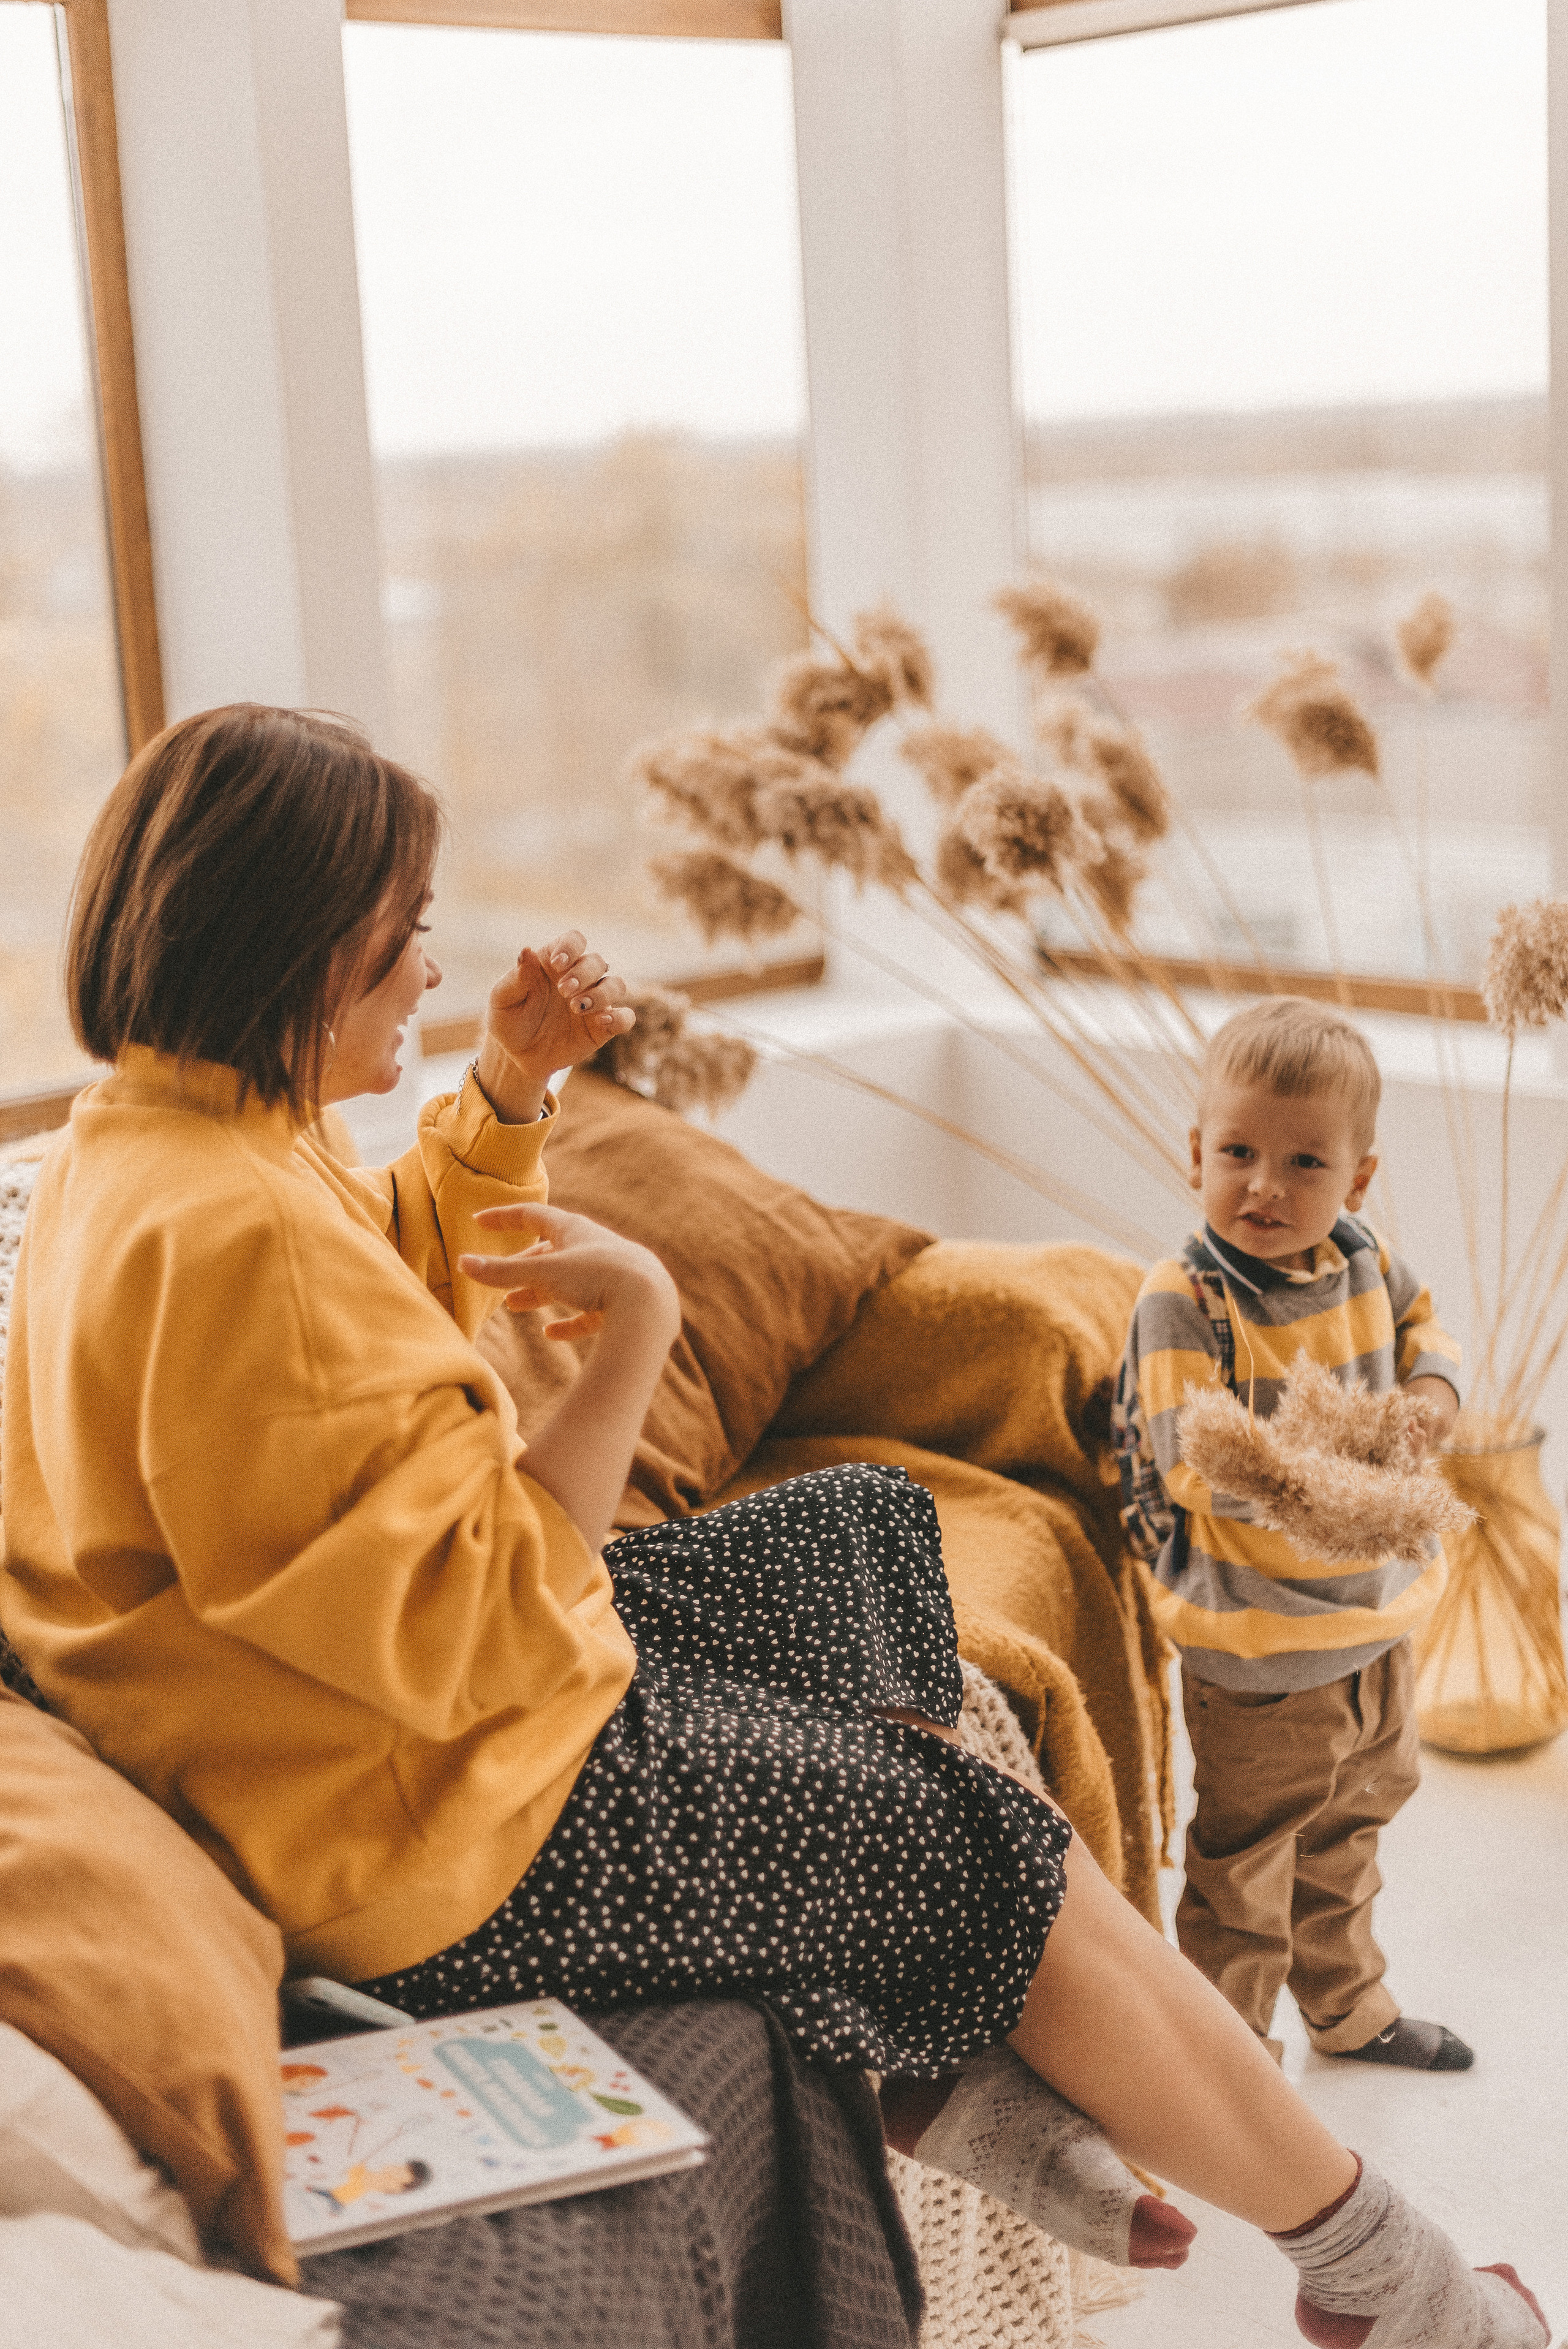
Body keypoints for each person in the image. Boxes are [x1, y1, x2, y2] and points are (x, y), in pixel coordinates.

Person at [0, 709, 1544, 2347]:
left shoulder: (156, 1146)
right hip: (432, 1835)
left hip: (332, 1737)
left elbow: (368, 1255)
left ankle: (947, 2056)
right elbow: (505, 1616)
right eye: (405, 944)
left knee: (856, 1536)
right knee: (977, 1841)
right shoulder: (241, 1246)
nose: (428, 982)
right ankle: (1395, 2288)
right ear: (297, 958)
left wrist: (513, 1084)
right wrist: (641, 1329)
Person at [1115, 997, 1471, 2073]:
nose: (1265, 1185)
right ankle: (1227, 2061)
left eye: (1305, 1162)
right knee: (1246, 1864)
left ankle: (1348, 2008)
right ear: (1196, 1154)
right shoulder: (1186, 1301)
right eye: (1239, 1151)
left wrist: (1432, 1400)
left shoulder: (1364, 1258)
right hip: (1262, 1649)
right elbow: (1197, 1463)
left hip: (1373, 1626)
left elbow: (1426, 1332)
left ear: (1357, 1179)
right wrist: (1332, 1478)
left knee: (1349, 1837)